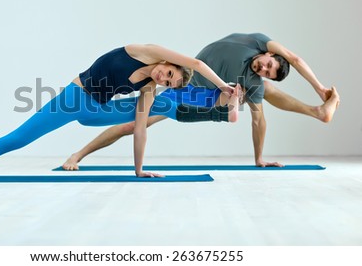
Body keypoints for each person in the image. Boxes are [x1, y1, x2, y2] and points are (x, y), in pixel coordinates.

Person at [0, 44, 241, 178]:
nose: (164, 78)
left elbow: (139, 128)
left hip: (98, 111)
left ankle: (221, 110)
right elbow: (198, 65)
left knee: (164, 104)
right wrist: (223, 85)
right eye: (169, 74)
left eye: (170, 81)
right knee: (18, 139)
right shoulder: (145, 50)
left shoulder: (150, 86)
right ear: (170, 63)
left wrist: (138, 170)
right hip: (73, 99)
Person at [62, 33, 340, 170]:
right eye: (267, 64)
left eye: (268, 72)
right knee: (131, 124)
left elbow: (258, 120)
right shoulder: (256, 41)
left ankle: (317, 111)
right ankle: (78, 154)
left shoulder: (253, 81)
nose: (263, 68)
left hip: (194, 96)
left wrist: (258, 159)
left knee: (259, 91)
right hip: (181, 83)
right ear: (267, 54)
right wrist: (318, 87)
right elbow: (294, 58)